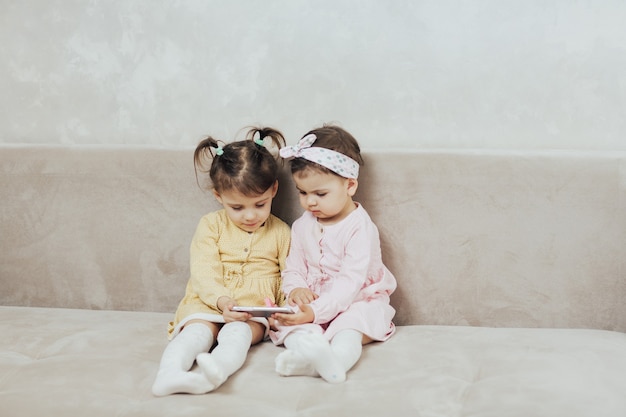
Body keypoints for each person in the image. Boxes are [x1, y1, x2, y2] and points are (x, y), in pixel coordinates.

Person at [152, 127, 291, 396]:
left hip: (252, 310)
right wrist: (222, 301)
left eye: (259, 205)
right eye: (237, 207)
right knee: (196, 334)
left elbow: (290, 275)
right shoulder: (210, 225)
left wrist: (281, 312)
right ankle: (167, 374)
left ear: (274, 189)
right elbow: (204, 269)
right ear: (219, 197)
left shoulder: (282, 232)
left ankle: (213, 375)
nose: (249, 216)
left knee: (238, 335)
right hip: (208, 301)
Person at [271, 124, 397, 384]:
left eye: (320, 193)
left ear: (350, 185)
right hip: (315, 301)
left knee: (350, 328)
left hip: (356, 299)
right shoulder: (302, 225)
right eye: (302, 192)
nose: (310, 202)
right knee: (289, 323)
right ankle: (305, 356)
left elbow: (350, 283)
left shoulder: (360, 228)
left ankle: (336, 362)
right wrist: (296, 290)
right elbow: (293, 267)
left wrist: (316, 311)